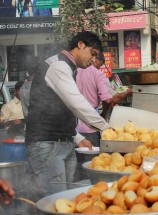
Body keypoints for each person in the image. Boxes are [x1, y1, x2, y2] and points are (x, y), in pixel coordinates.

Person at [25, 31, 109, 199]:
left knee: (66, 200)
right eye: (92, 54)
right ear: (80, 45)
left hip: (62, 144)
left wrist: (77, 137)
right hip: (47, 145)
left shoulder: (69, 68)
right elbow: (77, 104)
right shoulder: (58, 66)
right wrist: (109, 130)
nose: (93, 61)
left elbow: (60, 109)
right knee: (55, 201)